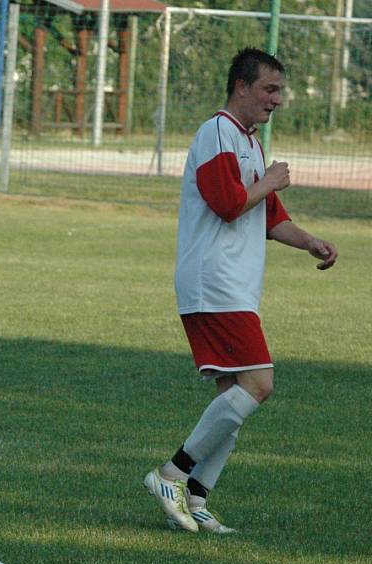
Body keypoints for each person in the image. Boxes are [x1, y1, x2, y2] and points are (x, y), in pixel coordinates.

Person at [143, 48, 338, 534]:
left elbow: (269, 218)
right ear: (242, 87)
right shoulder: (216, 134)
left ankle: (196, 497)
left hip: (234, 288)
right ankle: (171, 474)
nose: (277, 101)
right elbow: (229, 203)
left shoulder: (248, 142)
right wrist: (270, 180)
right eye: (270, 90)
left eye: (280, 92)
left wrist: (310, 241)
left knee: (233, 396)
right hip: (214, 284)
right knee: (259, 383)